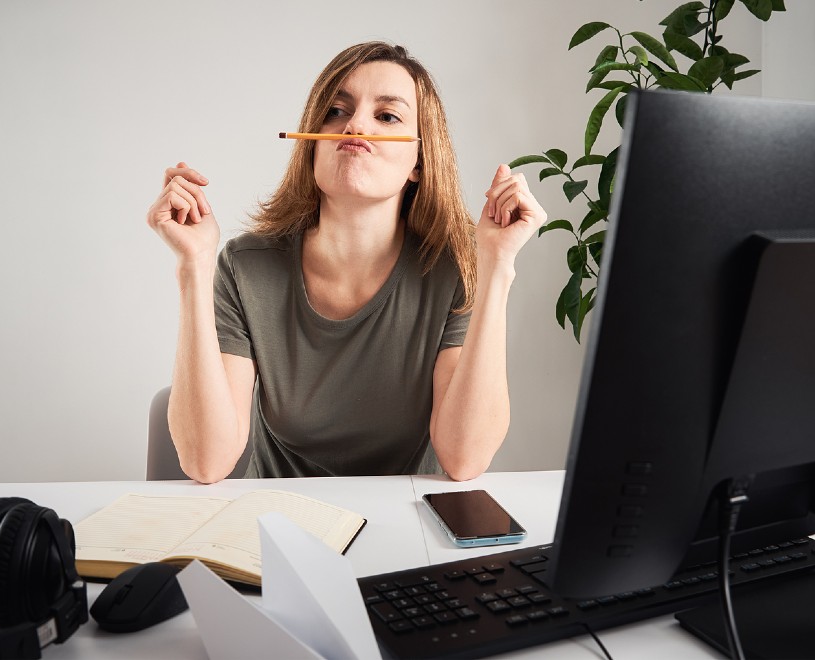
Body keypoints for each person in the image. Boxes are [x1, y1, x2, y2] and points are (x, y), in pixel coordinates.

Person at [146, 42, 546, 483]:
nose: (354, 125)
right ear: (312, 145)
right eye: (336, 111)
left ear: (419, 160)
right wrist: (193, 265)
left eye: (387, 116)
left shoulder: (452, 272)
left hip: (411, 533)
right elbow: (206, 462)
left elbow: (464, 458)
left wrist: (497, 267)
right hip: (276, 527)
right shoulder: (246, 267)